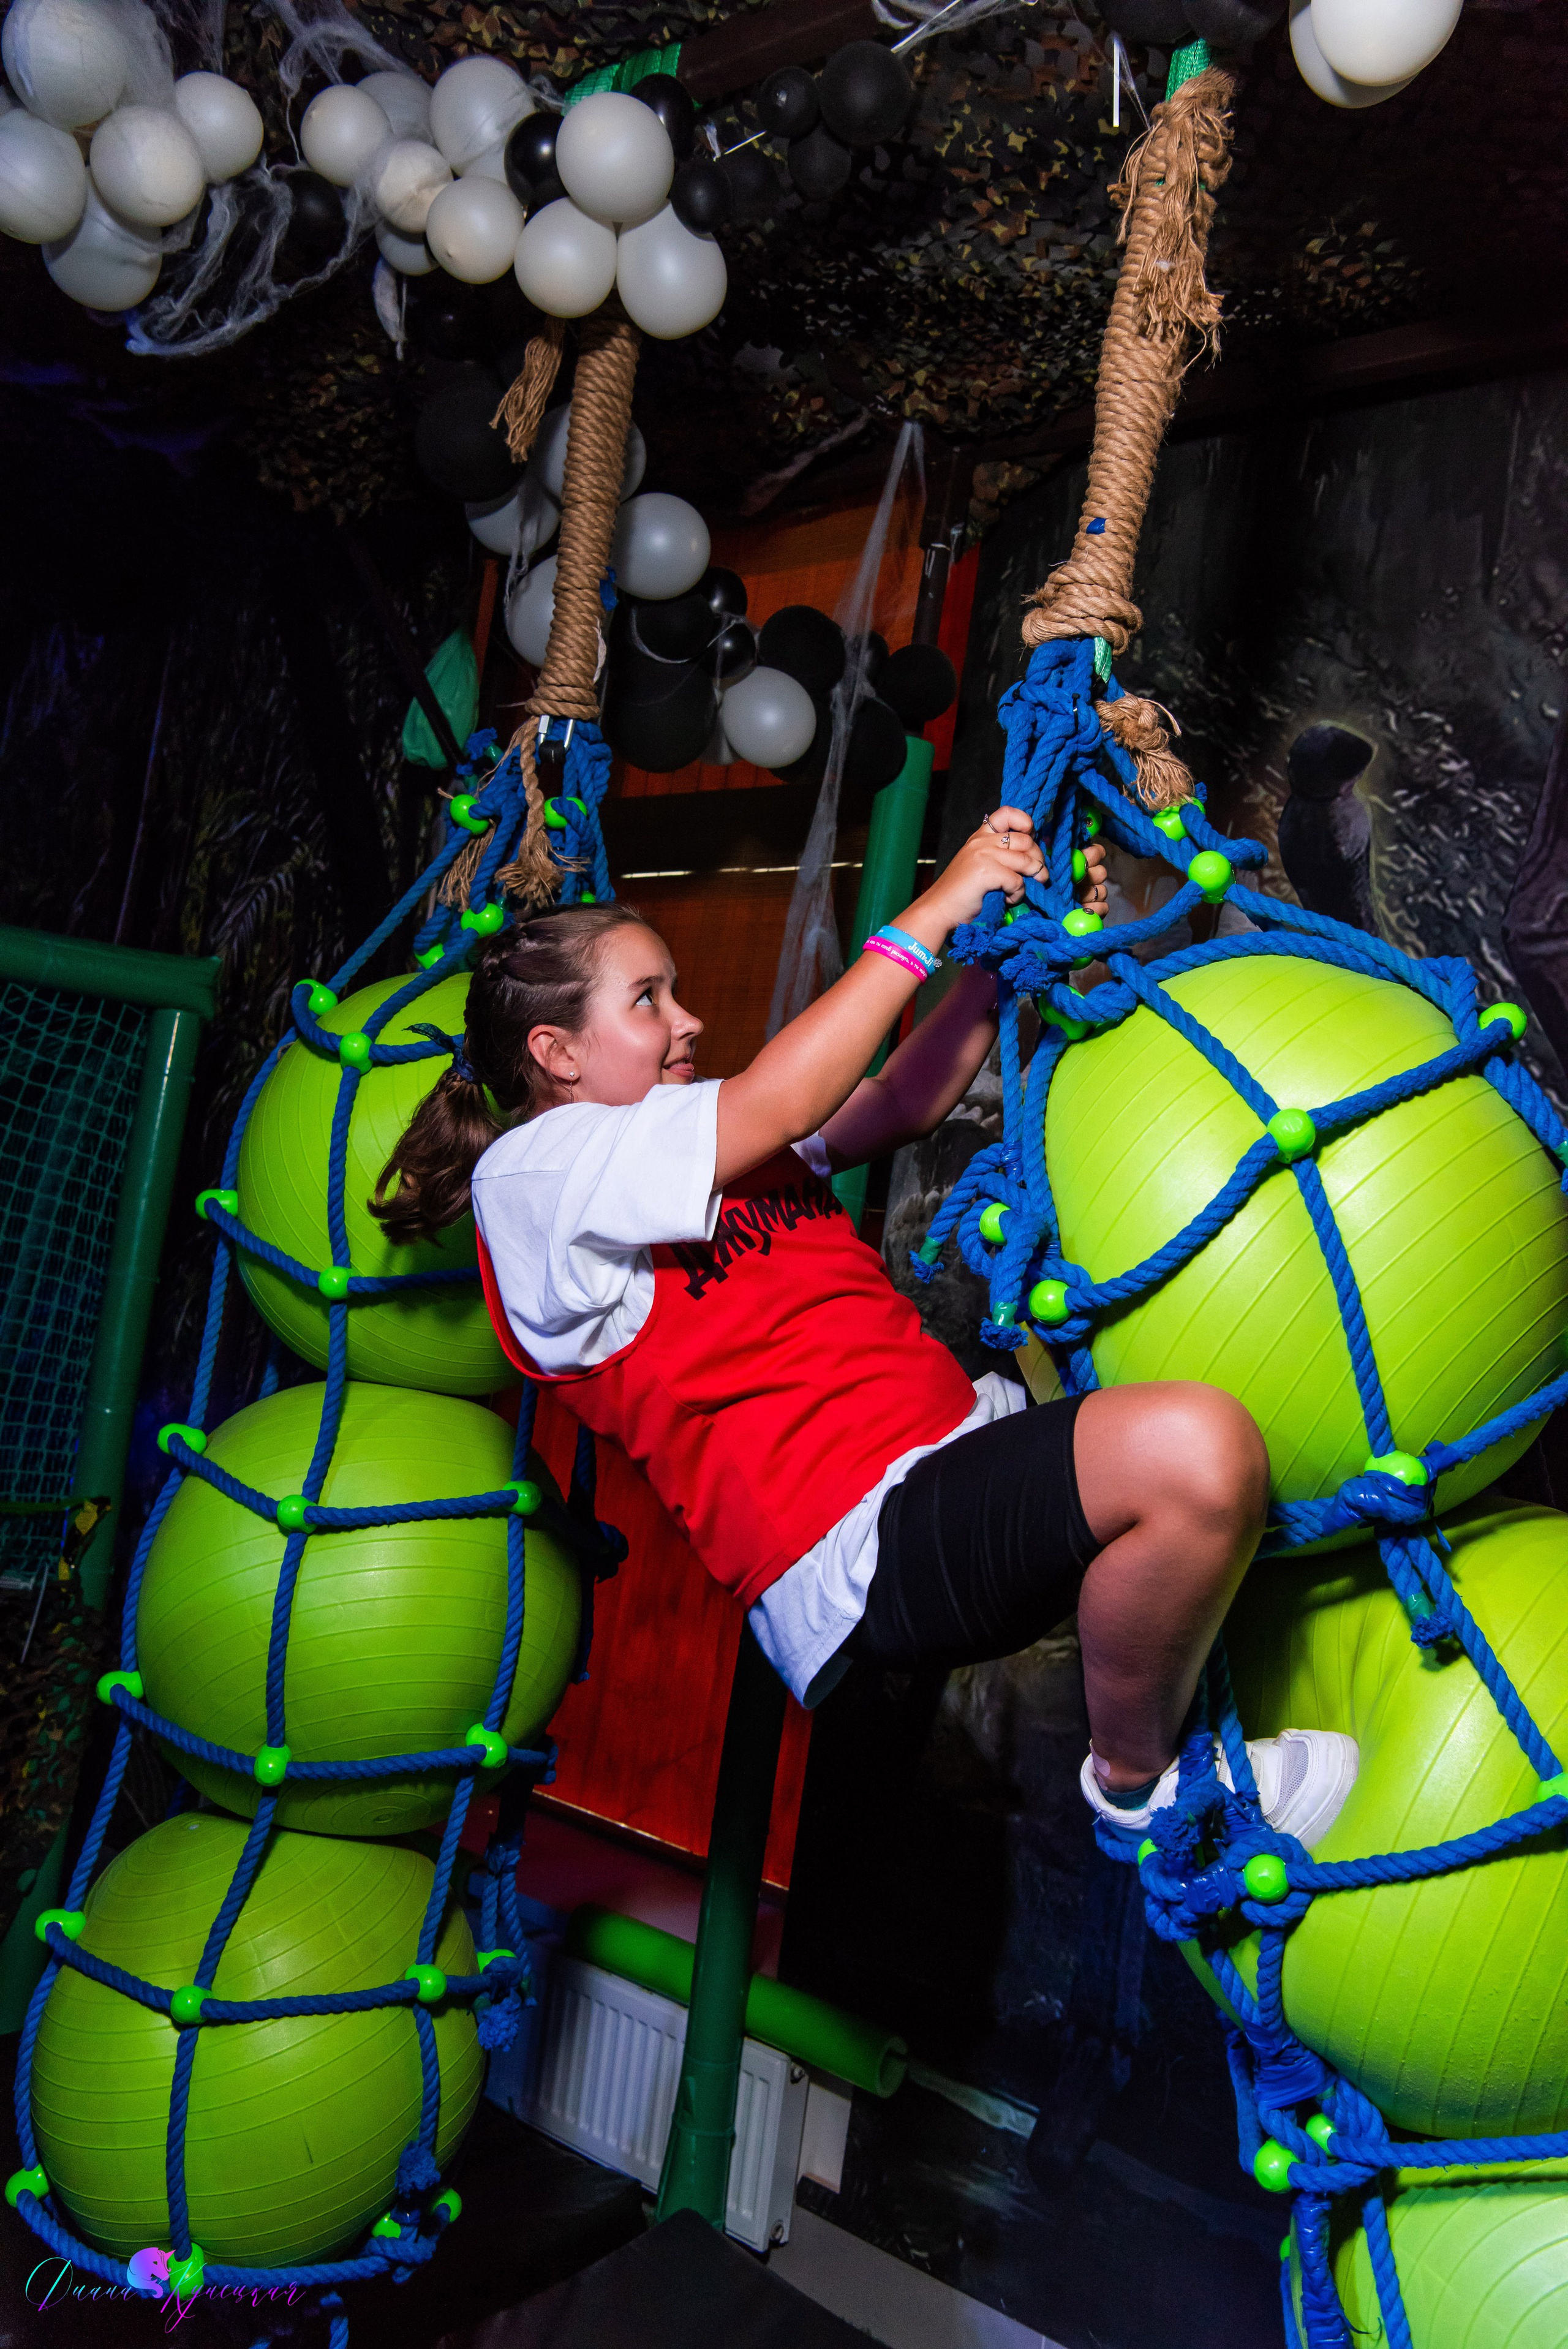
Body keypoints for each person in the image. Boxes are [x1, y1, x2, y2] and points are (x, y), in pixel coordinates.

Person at [372, 809, 1355, 1847]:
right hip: (862, 1551)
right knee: (1195, 1456)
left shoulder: (685, 1143)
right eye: (649, 999)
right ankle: (1140, 1783)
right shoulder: (535, 1176)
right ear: (554, 1053)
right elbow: (789, 1099)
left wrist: (996, 950)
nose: (690, 1020)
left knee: (1205, 1427)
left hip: (957, 1458)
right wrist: (936, 907)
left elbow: (896, 1101)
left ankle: (1183, 1690)